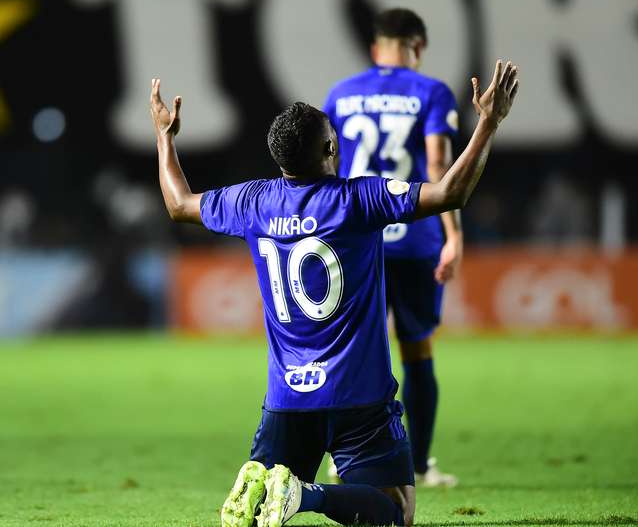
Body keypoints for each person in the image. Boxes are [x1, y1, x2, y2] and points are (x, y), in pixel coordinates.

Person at [150, 59, 519, 527]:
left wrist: (165, 137)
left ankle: (276, 485)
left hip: (287, 399)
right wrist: (488, 123)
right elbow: (449, 193)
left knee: (263, 495)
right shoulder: (358, 200)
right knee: (397, 513)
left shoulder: (253, 202)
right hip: (359, 397)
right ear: (330, 147)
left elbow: (179, 204)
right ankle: (306, 497)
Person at [323, 8, 463, 486]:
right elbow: (439, 163)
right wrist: (454, 236)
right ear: (418, 47)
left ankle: (343, 460)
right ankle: (420, 466)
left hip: (354, 239)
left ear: (374, 48)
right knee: (417, 349)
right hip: (415, 238)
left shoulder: (341, 95)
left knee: (351, 351)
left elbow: (326, 167)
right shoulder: (431, 91)